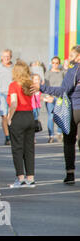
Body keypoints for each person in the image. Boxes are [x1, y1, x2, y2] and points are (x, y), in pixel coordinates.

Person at [32, 46, 80, 184]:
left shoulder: (73, 70)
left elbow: (63, 91)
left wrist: (42, 88)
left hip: (73, 109)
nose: (69, 57)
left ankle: (70, 174)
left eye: (72, 55)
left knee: (69, 142)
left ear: (78, 57)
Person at [8, 61, 36, 188]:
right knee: (29, 148)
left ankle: (20, 178)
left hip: (18, 116)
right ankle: (31, 177)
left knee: (17, 148)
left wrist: (9, 117)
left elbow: (13, 103)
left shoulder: (13, 85)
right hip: (30, 116)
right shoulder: (30, 84)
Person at [0, 49, 14, 145]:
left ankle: (13, 134)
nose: (6, 58)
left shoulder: (14, 68)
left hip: (12, 94)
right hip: (2, 94)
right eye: (4, 56)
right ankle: (7, 137)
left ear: (11, 57)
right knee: (4, 116)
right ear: (1, 57)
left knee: (12, 115)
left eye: (8, 56)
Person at [44, 56, 64, 143]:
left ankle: (59, 133)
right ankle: (51, 135)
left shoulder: (62, 73)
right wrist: (47, 96)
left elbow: (65, 86)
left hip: (60, 97)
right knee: (51, 116)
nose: (55, 65)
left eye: (56, 63)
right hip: (50, 97)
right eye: (53, 63)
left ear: (59, 64)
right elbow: (45, 85)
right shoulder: (48, 73)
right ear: (51, 63)